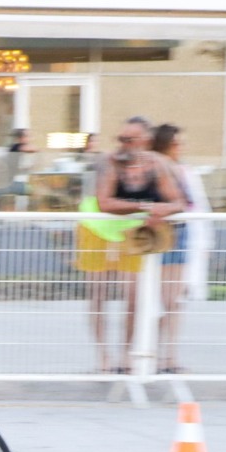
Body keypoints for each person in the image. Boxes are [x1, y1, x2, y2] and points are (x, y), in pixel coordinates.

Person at [86, 117, 187, 373]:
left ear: (145, 141)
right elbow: (105, 203)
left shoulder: (157, 164)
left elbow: (178, 201)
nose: (123, 144)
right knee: (98, 294)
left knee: (132, 296)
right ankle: (104, 357)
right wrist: (146, 207)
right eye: (120, 139)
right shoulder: (109, 163)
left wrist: (162, 210)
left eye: (129, 139)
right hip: (98, 229)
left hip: (132, 233)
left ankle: (126, 355)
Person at [150, 123, 213, 373]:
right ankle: (150, 354)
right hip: (157, 237)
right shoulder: (153, 169)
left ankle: (169, 357)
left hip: (182, 234)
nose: (181, 148)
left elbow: (197, 206)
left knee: (174, 301)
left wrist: (204, 242)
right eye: (177, 143)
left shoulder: (186, 172)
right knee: (155, 300)